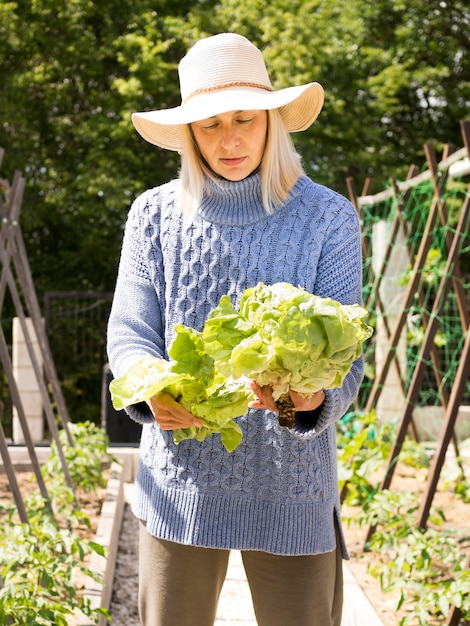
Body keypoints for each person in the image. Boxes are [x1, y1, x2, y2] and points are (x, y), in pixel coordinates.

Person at [107, 32, 364, 626]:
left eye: (245, 119)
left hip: (294, 486)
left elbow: (346, 355)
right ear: (188, 134)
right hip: (181, 481)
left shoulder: (327, 218)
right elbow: (129, 331)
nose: (230, 140)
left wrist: (314, 398)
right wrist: (149, 389)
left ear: (272, 119)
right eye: (209, 124)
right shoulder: (155, 214)